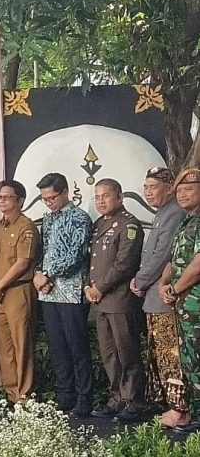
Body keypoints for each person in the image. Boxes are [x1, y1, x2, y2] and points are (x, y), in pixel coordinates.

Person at [130, 167, 188, 428]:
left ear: (170, 188)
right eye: (145, 187)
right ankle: (170, 406)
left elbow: (163, 254)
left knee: (170, 355)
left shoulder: (174, 213)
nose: (148, 192)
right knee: (160, 355)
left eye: (153, 187)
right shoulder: (162, 214)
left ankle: (180, 410)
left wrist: (139, 280)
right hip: (154, 298)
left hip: (164, 297)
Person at [34, 172, 94, 418]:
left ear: (65, 192)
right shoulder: (47, 220)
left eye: (52, 197)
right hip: (48, 293)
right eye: (44, 199)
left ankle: (84, 398)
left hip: (71, 292)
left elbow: (76, 255)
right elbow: (43, 252)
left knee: (76, 346)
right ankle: (64, 394)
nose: (49, 202)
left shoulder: (80, 218)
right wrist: (39, 274)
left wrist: (47, 273)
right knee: (57, 346)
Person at [86, 178, 145, 423]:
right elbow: (94, 261)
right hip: (99, 300)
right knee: (109, 354)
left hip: (120, 300)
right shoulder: (100, 223)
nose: (101, 200)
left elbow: (125, 264)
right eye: (97, 196)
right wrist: (90, 287)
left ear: (120, 196)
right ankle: (116, 398)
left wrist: (99, 286)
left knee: (126, 352)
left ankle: (134, 401)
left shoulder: (129, 225)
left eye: (106, 196)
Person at [0, 180, 40, 405]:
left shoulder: (26, 227)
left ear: (20, 200)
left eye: (7, 197)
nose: (2, 201)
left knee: (22, 344)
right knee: (4, 345)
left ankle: (25, 395)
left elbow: (22, 262)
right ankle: (11, 393)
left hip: (18, 290)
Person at [159, 168, 200, 432]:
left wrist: (174, 289)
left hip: (195, 304)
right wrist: (164, 284)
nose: (183, 194)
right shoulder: (186, 221)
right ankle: (192, 412)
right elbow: (175, 262)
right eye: (180, 190)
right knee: (190, 360)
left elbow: (197, 264)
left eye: (189, 189)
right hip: (185, 307)